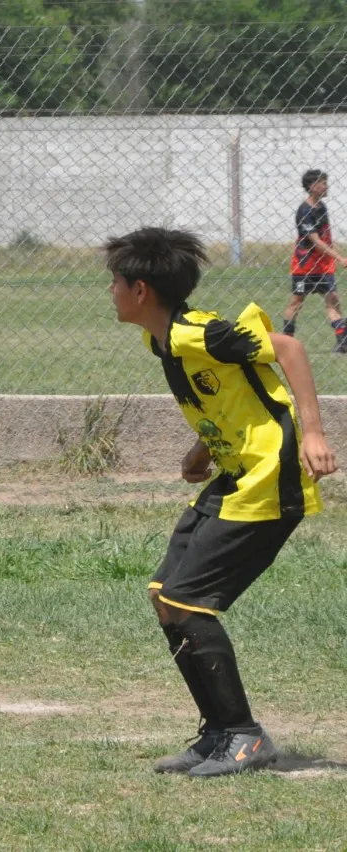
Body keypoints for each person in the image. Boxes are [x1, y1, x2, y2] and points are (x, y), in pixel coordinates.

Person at [105, 226, 338, 777]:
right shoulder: (160, 340)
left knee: (187, 599)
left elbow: (289, 348)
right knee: (167, 595)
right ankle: (218, 734)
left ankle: (243, 734)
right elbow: (232, 395)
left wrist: (313, 433)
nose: (108, 291)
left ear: (141, 290)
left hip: (269, 475)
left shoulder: (198, 333)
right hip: (234, 471)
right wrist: (201, 447)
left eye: (114, 282)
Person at [281, 168, 347, 353]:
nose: (327, 186)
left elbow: (326, 238)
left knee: (333, 299)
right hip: (305, 266)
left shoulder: (322, 207)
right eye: (323, 183)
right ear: (313, 186)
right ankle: (287, 341)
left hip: (324, 266)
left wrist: (336, 254)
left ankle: (342, 342)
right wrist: (340, 257)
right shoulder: (304, 211)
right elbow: (316, 241)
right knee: (296, 302)